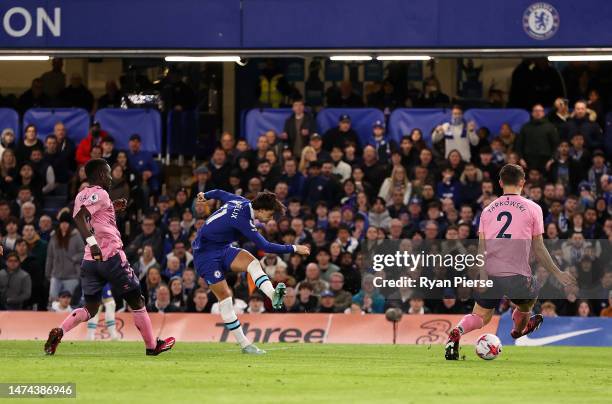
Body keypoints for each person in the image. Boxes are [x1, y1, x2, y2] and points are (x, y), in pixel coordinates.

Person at [43, 158, 175, 356]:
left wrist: (112, 207)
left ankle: (60, 331)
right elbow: (80, 218)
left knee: (90, 308)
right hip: (110, 256)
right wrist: (93, 243)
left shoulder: (82, 195)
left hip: (90, 261)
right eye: (108, 172)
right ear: (101, 174)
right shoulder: (101, 193)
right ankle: (151, 346)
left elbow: (88, 215)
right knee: (137, 300)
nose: (111, 177)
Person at [445, 164, 576, 360]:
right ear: (522, 182)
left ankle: (458, 331)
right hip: (517, 274)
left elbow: (481, 247)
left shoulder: (487, 210)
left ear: (500, 183)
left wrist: (481, 274)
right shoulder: (533, 208)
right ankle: (517, 331)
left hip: (490, 272)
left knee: (480, 316)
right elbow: (539, 248)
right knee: (526, 303)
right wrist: (558, 273)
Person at [192, 189, 310, 354]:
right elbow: (265, 246)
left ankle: (273, 295)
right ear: (260, 210)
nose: (270, 219)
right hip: (205, 255)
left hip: (223, 248)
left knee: (252, 262)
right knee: (225, 297)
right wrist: (295, 248)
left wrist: (205, 195)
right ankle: (245, 345)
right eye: (269, 214)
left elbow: (219, 193)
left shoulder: (239, 200)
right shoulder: (243, 220)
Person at [45, 212, 84, 302]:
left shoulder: (76, 236)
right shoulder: (54, 236)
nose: (64, 225)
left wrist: (74, 259)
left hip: (72, 276)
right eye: (62, 223)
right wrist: (48, 273)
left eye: (66, 223)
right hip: (56, 275)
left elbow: (83, 252)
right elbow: (50, 256)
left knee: (70, 302)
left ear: (69, 224)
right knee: (53, 300)